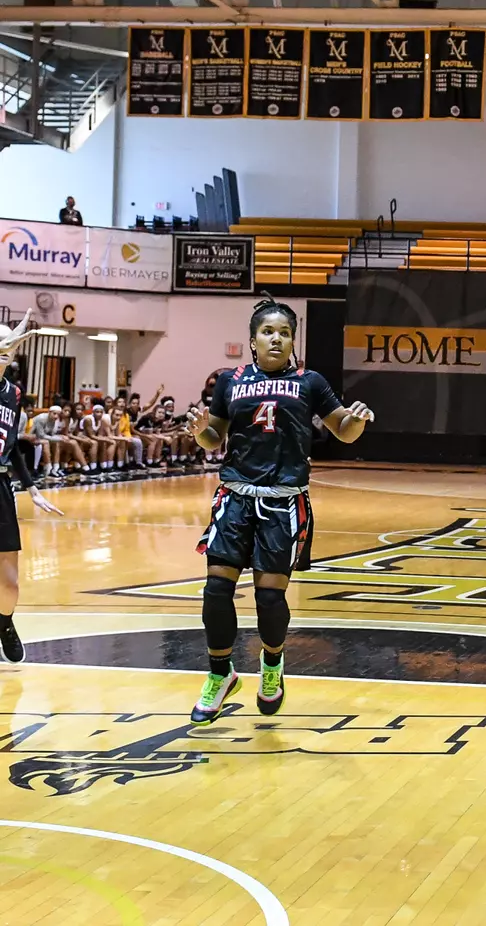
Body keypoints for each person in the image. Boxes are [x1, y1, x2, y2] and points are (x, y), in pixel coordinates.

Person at [184, 297, 374, 724]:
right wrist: (201, 432)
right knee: (216, 590)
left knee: (269, 597)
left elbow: (343, 430)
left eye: (285, 333)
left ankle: (272, 664)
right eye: (268, 332)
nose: (276, 339)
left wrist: (357, 422)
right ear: (252, 340)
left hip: (283, 501)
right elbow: (215, 437)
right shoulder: (230, 381)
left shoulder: (310, 382)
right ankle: (220, 673)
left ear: (293, 341)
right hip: (234, 496)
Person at [0, 313, 66, 661]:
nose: (4, 353)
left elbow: (11, 446)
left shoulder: (13, 393)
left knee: (9, 582)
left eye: (8, 349)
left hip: (0, 486)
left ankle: (4, 623)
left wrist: (33, 489)